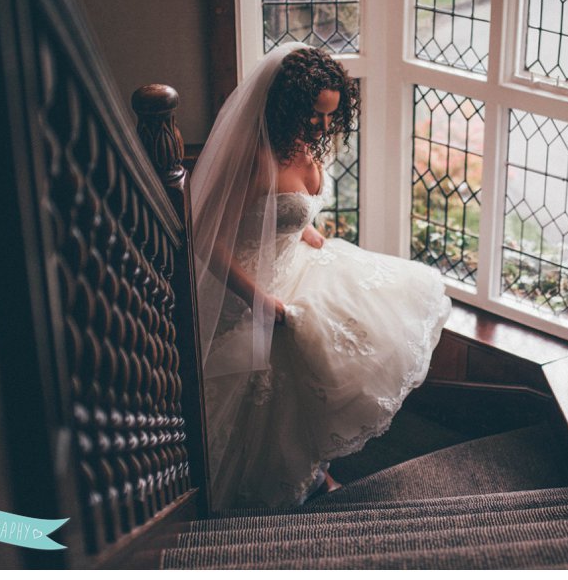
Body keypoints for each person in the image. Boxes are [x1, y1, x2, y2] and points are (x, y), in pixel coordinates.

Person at [190, 41, 452, 509]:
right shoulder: (253, 157)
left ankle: (314, 469)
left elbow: (280, 209)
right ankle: (281, 482)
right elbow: (209, 243)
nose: (325, 126)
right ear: (288, 107)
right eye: (316, 115)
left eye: (332, 115)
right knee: (283, 373)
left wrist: (304, 228)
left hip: (296, 263)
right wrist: (259, 302)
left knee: (357, 333)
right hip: (249, 289)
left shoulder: (304, 141)